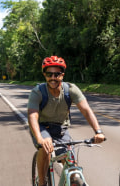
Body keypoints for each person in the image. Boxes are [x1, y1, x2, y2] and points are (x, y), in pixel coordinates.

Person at [27, 56, 106, 186]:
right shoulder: (38, 92)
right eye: (49, 74)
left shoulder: (71, 90)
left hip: (60, 129)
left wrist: (98, 131)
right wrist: (40, 139)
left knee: (72, 168)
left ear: (62, 75)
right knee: (45, 148)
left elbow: (86, 110)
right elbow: (32, 116)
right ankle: (41, 182)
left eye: (56, 74)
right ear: (44, 75)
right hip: (42, 127)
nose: (53, 78)